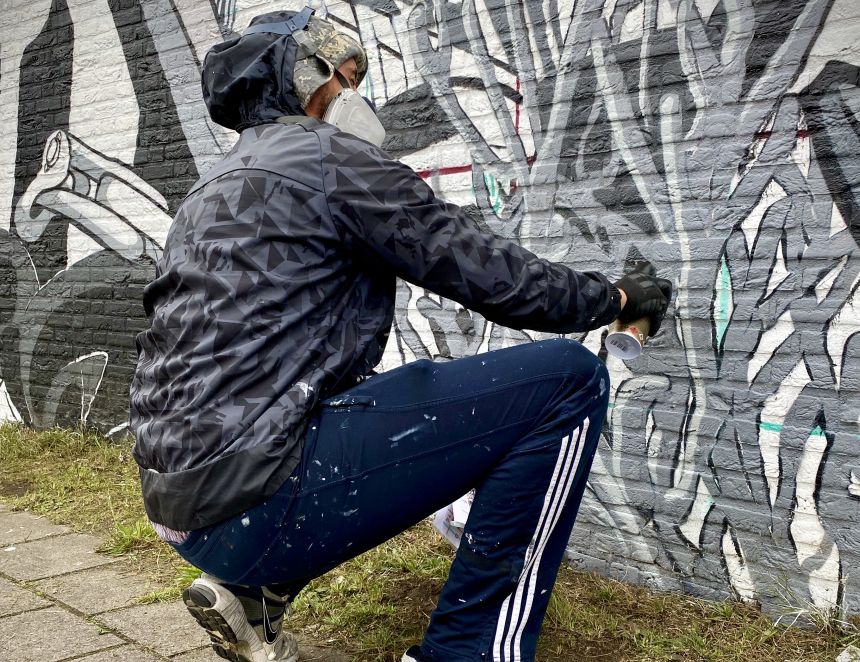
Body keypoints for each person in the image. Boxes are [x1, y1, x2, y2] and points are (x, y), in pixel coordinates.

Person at [129, 8, 672, 662]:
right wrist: (611, 297)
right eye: (347, 79)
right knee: (569, 380)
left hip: (180, 504)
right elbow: (495, 277)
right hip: (253, 502)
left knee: (364, 408)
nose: (358, 99)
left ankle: (255, 596)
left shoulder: (210, 187)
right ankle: (467, 653)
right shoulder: (331, 159)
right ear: (305, 77)